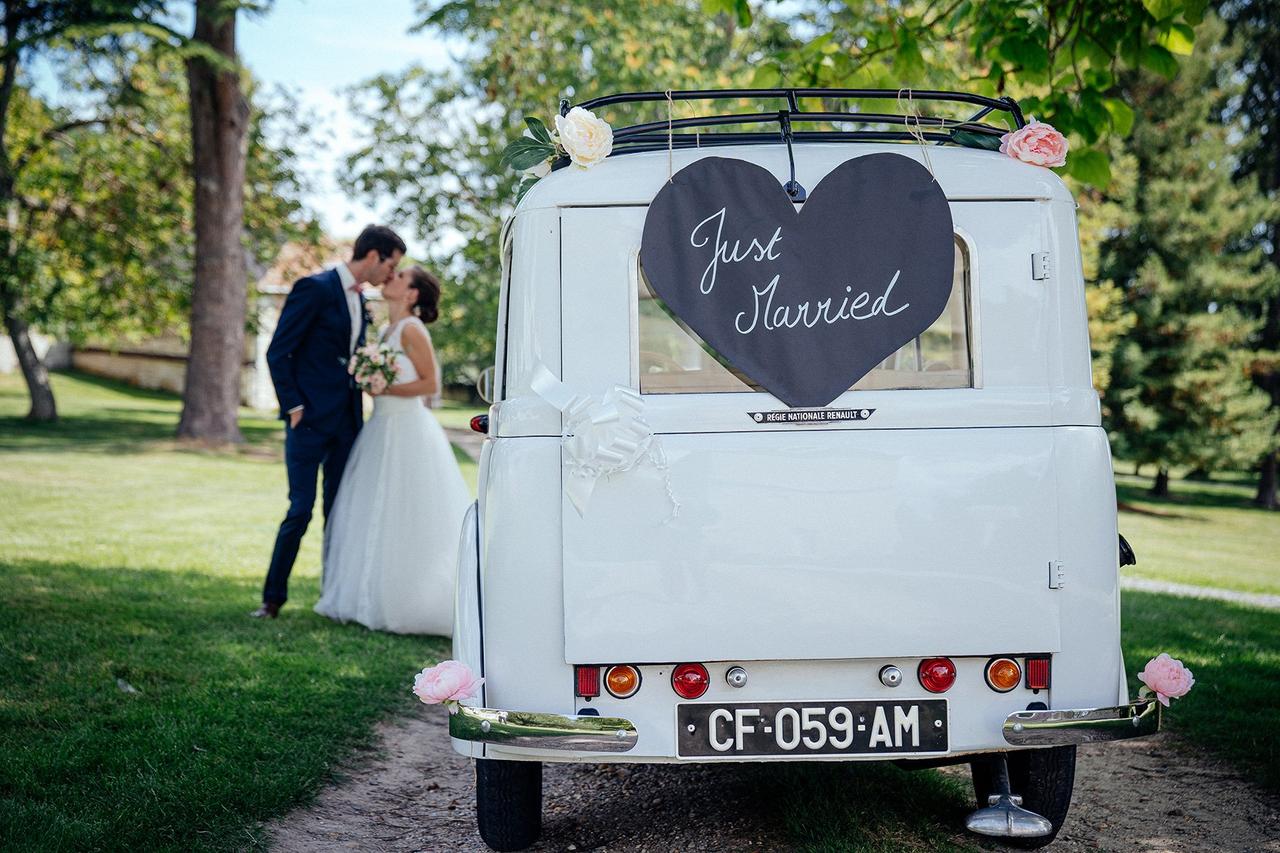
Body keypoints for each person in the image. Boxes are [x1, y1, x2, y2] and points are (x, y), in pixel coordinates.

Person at [253, 225, 406, 619]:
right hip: (308, 421)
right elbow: (278, 352)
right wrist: (293, 406)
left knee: (339, 512)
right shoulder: (315, 288)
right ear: (373, 256)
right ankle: (272, 600)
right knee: (300, 510)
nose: (391, 274)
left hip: (347, 423)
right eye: (391, 264)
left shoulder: (361, 301)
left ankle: (333, 598)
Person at [314, 266, 471, 635]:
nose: (391, 279)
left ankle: (413, 602)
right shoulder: (385, 331)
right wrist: (372, 383)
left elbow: (430, 384)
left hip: (408, 429)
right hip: (380, 429)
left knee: (408, 513)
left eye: (400, 277)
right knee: (372, 512)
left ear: (412, 294)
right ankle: (368, 597)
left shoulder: (412, 329)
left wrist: (383, 388)